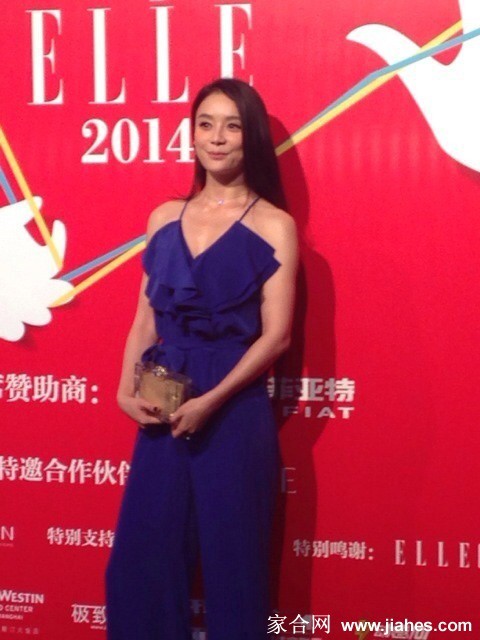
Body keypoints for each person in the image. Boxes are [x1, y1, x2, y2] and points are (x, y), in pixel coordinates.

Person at [105, 77, 298, 640]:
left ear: (250, 137)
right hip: (163, 403)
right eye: (205, 124)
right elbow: (145, 318)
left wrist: (211, 402)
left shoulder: (273, 224)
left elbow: (276, 337)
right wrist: (124, 389)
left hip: (233, 408)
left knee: (235, 565)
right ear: (191, 135)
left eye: (231, 126)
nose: (216, 138)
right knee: (142, 561)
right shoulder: (164, 217)